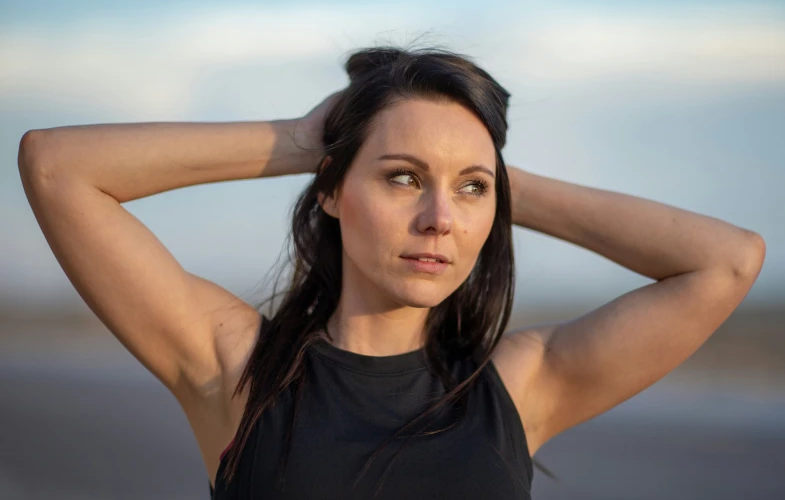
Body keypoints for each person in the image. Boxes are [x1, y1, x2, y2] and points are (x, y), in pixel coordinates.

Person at [17, 45, 765, 499]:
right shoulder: (237, 368)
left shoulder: (517, 387)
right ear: (334, 192)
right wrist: (305, 140)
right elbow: (57, 168)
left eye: (470, 191)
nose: (441, 217)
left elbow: (725, 260)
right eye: (402, 179)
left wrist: (483, 172)